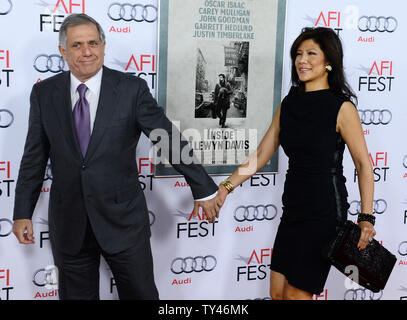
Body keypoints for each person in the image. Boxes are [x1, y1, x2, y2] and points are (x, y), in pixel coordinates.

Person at [12, 14, 220, 300]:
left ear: (103, 46)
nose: (87, 51)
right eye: (77, 45)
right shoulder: (44, 93)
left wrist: (203, 188)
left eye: (93, 43)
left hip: (123, 223)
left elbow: (166, 137)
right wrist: (22, 211)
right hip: (70, 224)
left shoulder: (130, 89)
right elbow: (34, 157)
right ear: (63, 51)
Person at [215, 27, 375, 300]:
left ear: (329, 61)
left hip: (324, 213)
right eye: (298, 54)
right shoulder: (289, 103)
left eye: (311, 53)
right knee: (277, 293)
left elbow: (363, 164)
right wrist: (226, 187)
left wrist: (366, 218)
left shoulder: (341, 107)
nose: (302, 60)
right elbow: (262, 154)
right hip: (293, 210)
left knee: (295, 296)